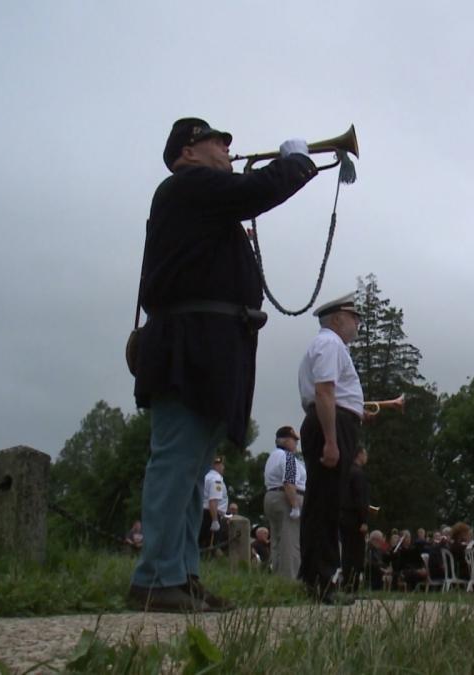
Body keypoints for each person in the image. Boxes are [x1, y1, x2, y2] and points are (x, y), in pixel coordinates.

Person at [130, 118, 317, 613]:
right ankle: (155, 577)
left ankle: (180, 574)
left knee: (190, 470)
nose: (228, 147)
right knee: (176, 462)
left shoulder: (201, 200)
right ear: (188, 152)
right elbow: (257, 189)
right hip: (188, 347)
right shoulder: (186, 186)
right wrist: (295, 163)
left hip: (207, 347)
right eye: (217, 140)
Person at [298, 292, 366, 603]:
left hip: (335, 422)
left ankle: (315, 576)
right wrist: (330, 439)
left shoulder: (330, 345)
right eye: (355, 318)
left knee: (323, 503)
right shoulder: (329, 343)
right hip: (333, 423)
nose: (357, 324)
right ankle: (321, 581)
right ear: (338, 318)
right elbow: (325, 391)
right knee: (324, 505)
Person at [263, 425, 306, 581]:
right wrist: (294, 505)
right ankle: (290, 579)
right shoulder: (288, 457)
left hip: (271, 496)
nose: (296, 443)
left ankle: (276, 576)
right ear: (287, 440)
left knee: (276, 540)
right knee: (290, 541)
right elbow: (289, 481)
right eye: (294, 440)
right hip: (286, 498)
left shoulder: (272, 457)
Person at [340, 447, 371, 592]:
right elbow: (360, 499)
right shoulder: (358, 474)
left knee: (347, 553)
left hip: (344, 516)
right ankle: (353, 587)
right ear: (359, 455)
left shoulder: (346, 473)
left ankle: (347, 584)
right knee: (356, 554)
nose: (367, 457)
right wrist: (364, 520)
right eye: (365, 454)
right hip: (355, 519)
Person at [199, 457, 229, 554]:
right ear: (217, 465)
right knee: (210, 546)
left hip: (202, 512)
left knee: (199, 542)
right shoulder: (216, 479)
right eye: (222, 465)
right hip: (211, 514)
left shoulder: (205, 476)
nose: (223, 467)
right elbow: (213, 500)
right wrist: (215, 520)